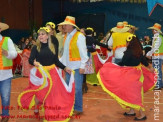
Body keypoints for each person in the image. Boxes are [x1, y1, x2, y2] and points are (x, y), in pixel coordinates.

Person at [18, 27, 75, 122]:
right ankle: (36, 109)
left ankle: (49, 114)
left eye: (43, 34)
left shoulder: (53, 46)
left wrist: (65, 68)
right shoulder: (36, 47)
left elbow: (56, 61)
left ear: (48, 36)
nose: (40, 36)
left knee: (52, 95)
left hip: (53, 74)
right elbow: (31, 60)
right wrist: (34, 63)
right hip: (41, 74)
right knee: (39, 94)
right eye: (39, 34)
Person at [97, 34, 155, 121]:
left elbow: (123, 62)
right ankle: (131, 111)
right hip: (138, 73)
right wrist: (150, 67)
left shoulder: (128, 52)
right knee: (131, 93)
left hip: (130, 75)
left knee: (134, 94)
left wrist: (112, 66)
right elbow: (143, 61)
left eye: (127, 42)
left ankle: (142, 115)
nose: (126, 44)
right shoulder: (139, 51)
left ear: (129, 43)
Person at [58, 16, 88, 115]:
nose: (64, 26)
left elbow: (84, 53)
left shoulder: (79, 36)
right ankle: (70, 106)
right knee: (69, 88)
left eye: (65, 25)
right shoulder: (66, 36)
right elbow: (65, 53)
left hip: (76, 67)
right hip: (68, 67)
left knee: (77, 89)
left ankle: (78, 108)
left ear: (71, 26)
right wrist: (60, 63)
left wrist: (82, 66)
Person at [0, 22, 17, 122]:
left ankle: (5, 116)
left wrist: (7, 53)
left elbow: (14, 54)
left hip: (5, 75)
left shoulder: (7, 40)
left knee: (5, 97)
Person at [146, 23, 163, 89]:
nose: (152, 30)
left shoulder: (158, 37)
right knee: (158, 70)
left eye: (153, 29)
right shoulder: (157, 37)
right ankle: (160, 84)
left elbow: (155, 48)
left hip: (157, 56)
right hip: (157, 56)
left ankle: (158, 85)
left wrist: (148, 54)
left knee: (157, 70)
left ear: (156, 30)